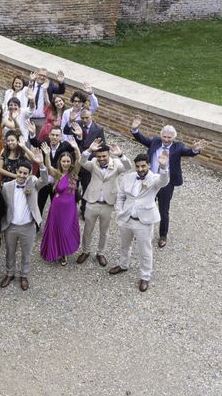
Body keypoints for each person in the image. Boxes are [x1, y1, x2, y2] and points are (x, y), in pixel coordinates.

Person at [130, 115, 207, 248]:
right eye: (164, 136)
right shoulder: (155, 141)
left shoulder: (178, 147)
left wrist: (194, 149)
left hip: (166, 182)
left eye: (169, 137)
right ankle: (143, 231)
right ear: (161, 136)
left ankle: (163, 235)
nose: (166, 139)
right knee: (145, 205)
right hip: (150, 180)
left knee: (163, 209)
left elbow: (188, 152)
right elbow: (141, 138)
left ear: (173, 138)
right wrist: (135, 129)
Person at [110, 152, 169, 292]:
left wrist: (163, 166)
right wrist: (119, 212)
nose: (141, 169)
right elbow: (121, 196)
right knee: (125, 245)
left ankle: (145, 276)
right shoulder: (128, 177)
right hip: (126, 219)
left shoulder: (155, 178)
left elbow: (164, 181)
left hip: (144, 221)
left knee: (145, 250)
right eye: (138, 166)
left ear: (148, 165)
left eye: (143, 166)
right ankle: (123, 265)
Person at [76, 141, 131, 267]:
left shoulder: (116, 164)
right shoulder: (93, 163)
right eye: (99, 156)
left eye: (104, 156)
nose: (101, 159)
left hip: (109, 203)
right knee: (87, 230)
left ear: (109, 155)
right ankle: (85, 251)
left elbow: (128, 168)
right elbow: (81, 161)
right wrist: (89, 150)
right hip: (92, 201)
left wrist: (121, 154)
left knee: (104, 231)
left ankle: (100, 253)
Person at [0, 158, 49, 291]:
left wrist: (41, 164)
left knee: (26, 253)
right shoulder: (7, 186)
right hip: (11, 226)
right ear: (16, 171)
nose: (21, 175)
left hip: (28, 226)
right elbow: (3, 207)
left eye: (25, 173)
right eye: (20, 172)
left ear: (30, 174)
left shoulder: (33, 183)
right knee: (10, 252)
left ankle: (24, 275)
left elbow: (45, 179)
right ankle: (9, 274)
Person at [39, 139, 82, 266]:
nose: (66, 163)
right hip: (57, 207)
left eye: (68, 161)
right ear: (60, 162)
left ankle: (63, 253)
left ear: (71, 162)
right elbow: (48, 166)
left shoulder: (74, 173)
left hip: (69, 208)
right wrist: (47, 154)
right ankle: (55, 251)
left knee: (65, 230)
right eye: (64, 161)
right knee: (55, 229)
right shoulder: (57, 174)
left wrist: (76, 148)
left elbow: (79, 161)